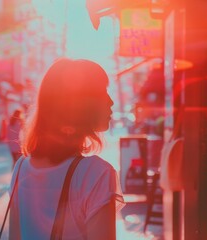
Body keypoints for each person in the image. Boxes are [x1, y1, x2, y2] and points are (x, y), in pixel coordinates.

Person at [9, 58, 125, 239]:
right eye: (103, 92)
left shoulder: (21, 168)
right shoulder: (96, 173)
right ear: (79, 105)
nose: (110, 102)